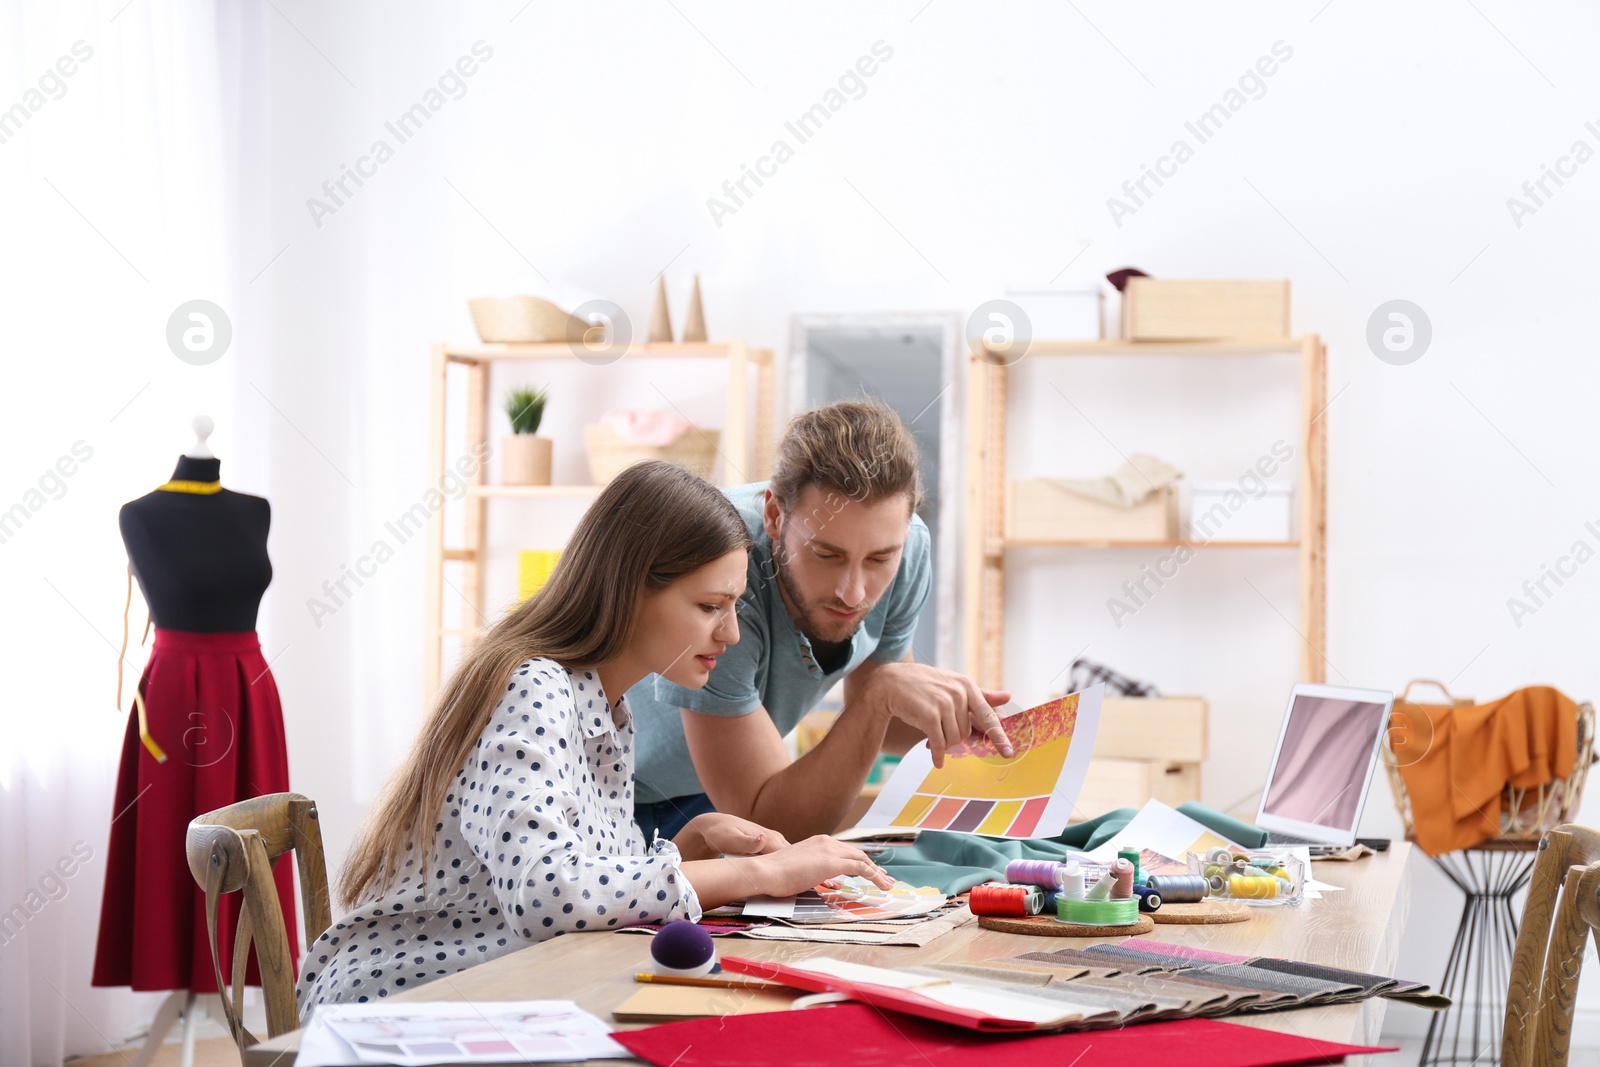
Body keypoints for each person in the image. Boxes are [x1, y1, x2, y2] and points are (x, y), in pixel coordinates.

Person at [296, 461, 890, 1020]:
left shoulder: (607, 705)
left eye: (733, 606)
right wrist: (765, 874)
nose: (731, 632)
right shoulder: (535, 689)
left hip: (492, 992)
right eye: (710, 606)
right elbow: (548, 897)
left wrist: (687, 846)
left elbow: (589, 879)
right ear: (631, 588)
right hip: (396, 1006)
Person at [629, 400, 1014, 844]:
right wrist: (879, 696)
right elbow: (772, 824)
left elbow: (885, 722)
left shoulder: (908, 550)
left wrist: (984, 723)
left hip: (713, 794)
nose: (854, 592)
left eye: (879, 558)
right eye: (826, 555)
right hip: (606, 793)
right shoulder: (726, 575)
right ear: (774, 516)